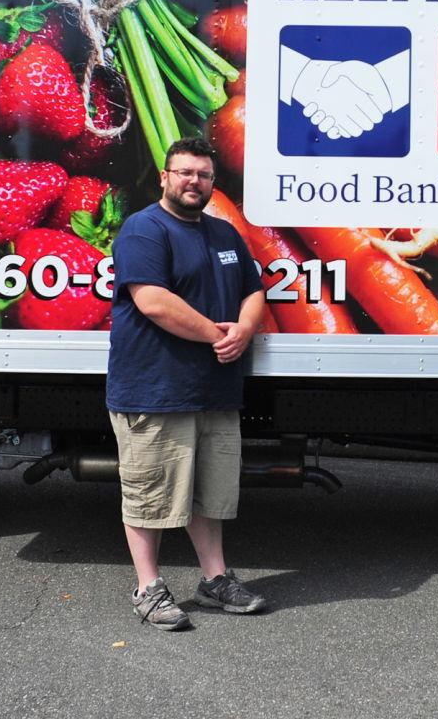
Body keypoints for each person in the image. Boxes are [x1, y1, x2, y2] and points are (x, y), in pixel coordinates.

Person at [107, 136, 270, 630]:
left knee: (209, 495)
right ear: (164, 177)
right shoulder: (144, 229)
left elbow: (254, 290)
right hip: (155, 389)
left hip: (214, 390)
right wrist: (217, 337)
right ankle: (149, 588)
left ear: (212, 182)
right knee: (150, 494)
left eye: (202, 174)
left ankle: (214, 580)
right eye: (184, 172)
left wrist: (244, 328)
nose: (193, 181)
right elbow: (152, 300)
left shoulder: (224, 234)